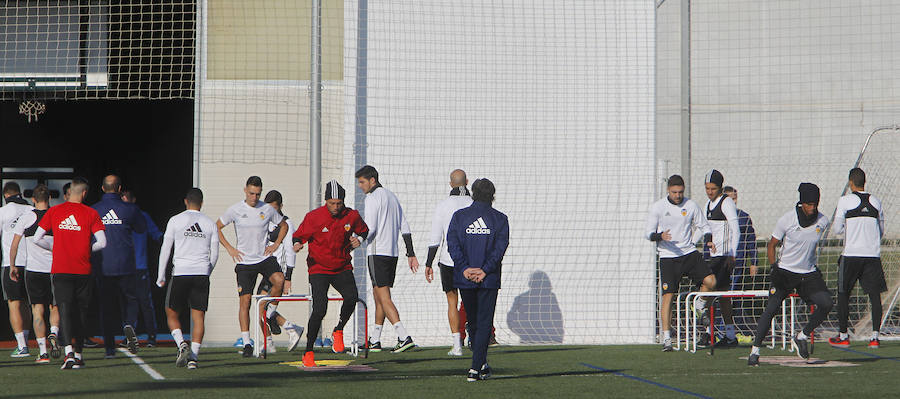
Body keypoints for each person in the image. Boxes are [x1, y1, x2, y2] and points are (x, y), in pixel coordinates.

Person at [747, 183, 833, 366]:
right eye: (808, 204)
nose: (812, 208)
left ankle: (801, 336)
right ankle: (755, 351)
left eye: (815, 204)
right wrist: (773, 267)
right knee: (771, 309)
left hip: (808, 273)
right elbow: (771, 245)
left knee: (826, 303)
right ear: (801, 203)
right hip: (785, 272)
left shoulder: (823, 221)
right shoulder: (787, 220)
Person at [292, 180, 368, 367]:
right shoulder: (314, 217)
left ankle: (339, 330)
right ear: (325, 201)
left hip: (342, 266)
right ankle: (308, 351)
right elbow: (298, 235)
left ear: (343, 202)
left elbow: (364, 231)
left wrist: (358, 239)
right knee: (320, 308)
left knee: (352, 297)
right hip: (318, 267)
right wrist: (297, 244)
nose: (335, 207)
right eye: (331, 203)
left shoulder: (352, 216)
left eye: (338, 203)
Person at [34, 178, 107, 369]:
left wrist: (53, 247)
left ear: (69, 193)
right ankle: (79, 354)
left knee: (65, 310)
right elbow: (103, 242)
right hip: (83, 270)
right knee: (81, 312)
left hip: (61, 268)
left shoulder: (55, 211)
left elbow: (37, 238)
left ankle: (68, 354)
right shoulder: (91, 213)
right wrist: (86, 249)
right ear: (84, 193)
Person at [217, 176, 288, 357]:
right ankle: (247, 341)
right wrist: (230, 248)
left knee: (279, 280)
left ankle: (270, 312)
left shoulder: (267, 209)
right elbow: (216, 227)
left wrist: (276, 244)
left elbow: (284, 225)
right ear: (245, 191)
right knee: (245, 300)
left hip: (263, 258)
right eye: (251, 193)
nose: (254, 197)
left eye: (257, 194)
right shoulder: (235, 210)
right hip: (244, 261)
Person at [645, 174, 717, 352]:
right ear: (668, 190)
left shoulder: (691, 205)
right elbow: (648, 233)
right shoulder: (658, 207)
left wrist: (708, 239)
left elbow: (705, 226)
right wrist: (659, 236)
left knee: (711, 282)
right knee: (668, 296)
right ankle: (667, 338)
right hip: (668, 256)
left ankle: (699, 304)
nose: (677, 195)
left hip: (688, 253)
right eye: (674, 192)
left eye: (680, 192)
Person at [447, 178, 509, 382]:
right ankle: (476, 367)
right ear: (492, 195)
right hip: (488, 279)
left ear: (473, 193)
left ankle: (479, 364)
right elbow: (499, 249)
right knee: (483, 323)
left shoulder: (459, 217)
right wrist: (484, 270)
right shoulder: (500, 219)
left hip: (465, 278)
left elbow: (452, 244)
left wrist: (464, 268)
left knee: (473, 322)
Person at [355, 165, 419, 353]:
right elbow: (404, 226)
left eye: (362, 182)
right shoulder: (391, 196)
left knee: (383, 297)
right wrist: (411, 253)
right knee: (378, 295)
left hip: (377, 253)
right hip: (392, 254)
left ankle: (403, 336)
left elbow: (371, 227)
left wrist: (358, 239)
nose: (360, 186)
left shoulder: (372, 198)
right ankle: (375, 339)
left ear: (372, 180)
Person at [156, 188, 218, 369]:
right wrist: (207, 270)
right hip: (201, 273)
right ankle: (194, 358)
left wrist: (161, 275)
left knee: (171, 312)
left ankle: (181, 343)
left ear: (185, 201)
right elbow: (214, 254)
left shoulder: (175, 220)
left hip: (181, 272)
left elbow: (166, 249)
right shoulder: (209, 223)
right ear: (202, 202)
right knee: (198, 317)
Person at [828, 168, 887, 349]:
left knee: (843, 293)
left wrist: (851, 230)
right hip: (872, 255)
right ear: (864, 182)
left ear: (850, 183)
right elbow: (881, 229)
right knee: (874, 296)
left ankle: (844, 335)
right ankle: (875, 337)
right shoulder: (876, 201)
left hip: (851, 254)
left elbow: (837, 229)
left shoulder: (844, 201)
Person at [92, 175, 147, 358]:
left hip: (103, 265)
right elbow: (141, 228)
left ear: (102, 188)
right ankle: (129, 325)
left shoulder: (94, 210)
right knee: (130, 300)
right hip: (125, 264)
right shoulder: (129, 209)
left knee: (106, 308)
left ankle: (109, 348)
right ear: (120, 188)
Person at [425, 169, 478, 355]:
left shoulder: (443, 206)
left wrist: (428, 263)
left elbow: (435, 237)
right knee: (472, 302)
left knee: (451, 302)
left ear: (450, 184)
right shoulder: (474, 204)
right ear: (467, 182)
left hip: (448, 261)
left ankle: (457, 345)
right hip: (471, 261)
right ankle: (475, 339)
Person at [9, 185, 62, 363]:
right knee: (54, 307)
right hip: (54, 269)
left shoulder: (28, 217)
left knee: (37, 310)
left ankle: (43, 352)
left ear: (33, 199)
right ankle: (54, 333)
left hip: (34, 270)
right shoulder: (56, 215)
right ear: (49, 198)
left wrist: (13, 266)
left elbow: (14, 244)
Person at [257, 190, 303, 353]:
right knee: (260, 307)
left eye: (274, 208)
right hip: (267, 269)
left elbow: (290, 251)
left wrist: (288, 277)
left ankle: (280, 335)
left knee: (262, 307)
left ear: (281, 206)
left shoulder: (287, 224)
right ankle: (284, 332)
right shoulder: (265, 221)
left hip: (279, 271)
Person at [702, 170, 740, 347]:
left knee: (710, 289)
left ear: (720, 187)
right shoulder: (707, 205)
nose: (710, 191)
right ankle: (728, 336)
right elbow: (704, 229)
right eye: (707, 188)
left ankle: (706, 324)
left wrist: (733, 253)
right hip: (712, 256)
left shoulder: (726, 203)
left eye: (713, 188)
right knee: (723, 297)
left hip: (724, 257)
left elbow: (736, 230)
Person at [121, 190, 163, 347]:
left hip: (140, 267)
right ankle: (129, 336)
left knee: (145, 302)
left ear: (134, 200)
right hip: (124, 268)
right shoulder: (118, 217)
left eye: (127, 202)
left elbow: (156, 234)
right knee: (128, 303)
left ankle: (151, 336)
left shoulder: (142, 216)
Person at [1, 182, 34, 358]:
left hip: (10, 263)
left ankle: (22, 346)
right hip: (32, 263)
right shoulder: (31, 209)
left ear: (6, 195)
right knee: (29, 304)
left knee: (14, 303)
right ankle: (32, 342)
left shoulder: (3, 211)